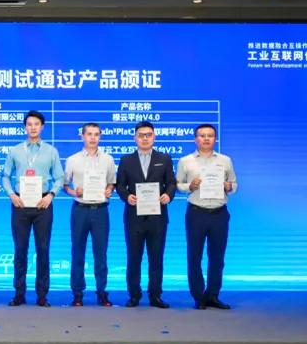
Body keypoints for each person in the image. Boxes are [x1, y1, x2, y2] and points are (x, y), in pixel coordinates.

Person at [2, 110, 64, 307]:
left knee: (43, 249)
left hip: (42, 203)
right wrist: (11, 195)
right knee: (20, 249)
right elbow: (5, 176)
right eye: (29, 124)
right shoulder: (15, 151)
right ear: (25, 127)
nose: (33, 127)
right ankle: (19, 293)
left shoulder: (51, 151)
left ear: (42, 127)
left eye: (36, 124)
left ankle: (42, 295)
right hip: (20, 203)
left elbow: (60, 178)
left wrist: (51, 195)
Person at [116, 121, 176, 309]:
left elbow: (171, 183)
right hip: (134, 217)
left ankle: (155, 296)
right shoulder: (126, 160)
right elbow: (120, 185)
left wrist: (168, 195)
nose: (145, 138)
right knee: (134, 258)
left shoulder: (164, 158)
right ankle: (134, 295)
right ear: (135, 138)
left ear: (154, 137)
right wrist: (127, 196)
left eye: (148, 135)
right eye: (141, 135)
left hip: (158, 217)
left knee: (156, 258)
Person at [176, 124, 237, 310]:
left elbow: (234, 184)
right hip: (196, 213)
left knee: (217, 257)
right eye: (202, 135)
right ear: (195, 139)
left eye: (210, 135)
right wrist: (190, 186)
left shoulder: (225, 160)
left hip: (219, 213)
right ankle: (198, 296)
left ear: (215, 138)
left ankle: (213, 295)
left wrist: (229, 187)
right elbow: (178, 185)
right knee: (194, 256)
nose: (206, 138)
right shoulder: (186, 161)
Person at [63, 122, 116, 307]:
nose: (93, 138)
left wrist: (109, 189)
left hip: (101, 211)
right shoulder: (73, 160)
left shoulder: (108, 159)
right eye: (89, 134)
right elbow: (64, 185)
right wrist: (73, 192)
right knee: (77, 253)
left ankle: (102, 292)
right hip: (80, 210)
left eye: (96, 134)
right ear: (82, 136)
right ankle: (77, 293)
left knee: (101, 254)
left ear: (100, 136)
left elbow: (112, 182)